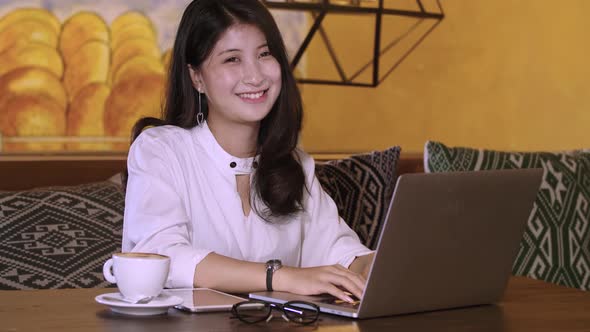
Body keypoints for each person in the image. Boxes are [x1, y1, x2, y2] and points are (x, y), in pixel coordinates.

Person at [122, 0, 374, 303]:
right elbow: (160, 256)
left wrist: (382, 263)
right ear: (196, 77)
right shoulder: (160, 150)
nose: (255, 76)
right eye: (232, 59)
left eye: (264, 54)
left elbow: (341, 253)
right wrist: (280, 277)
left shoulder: (295, 164)